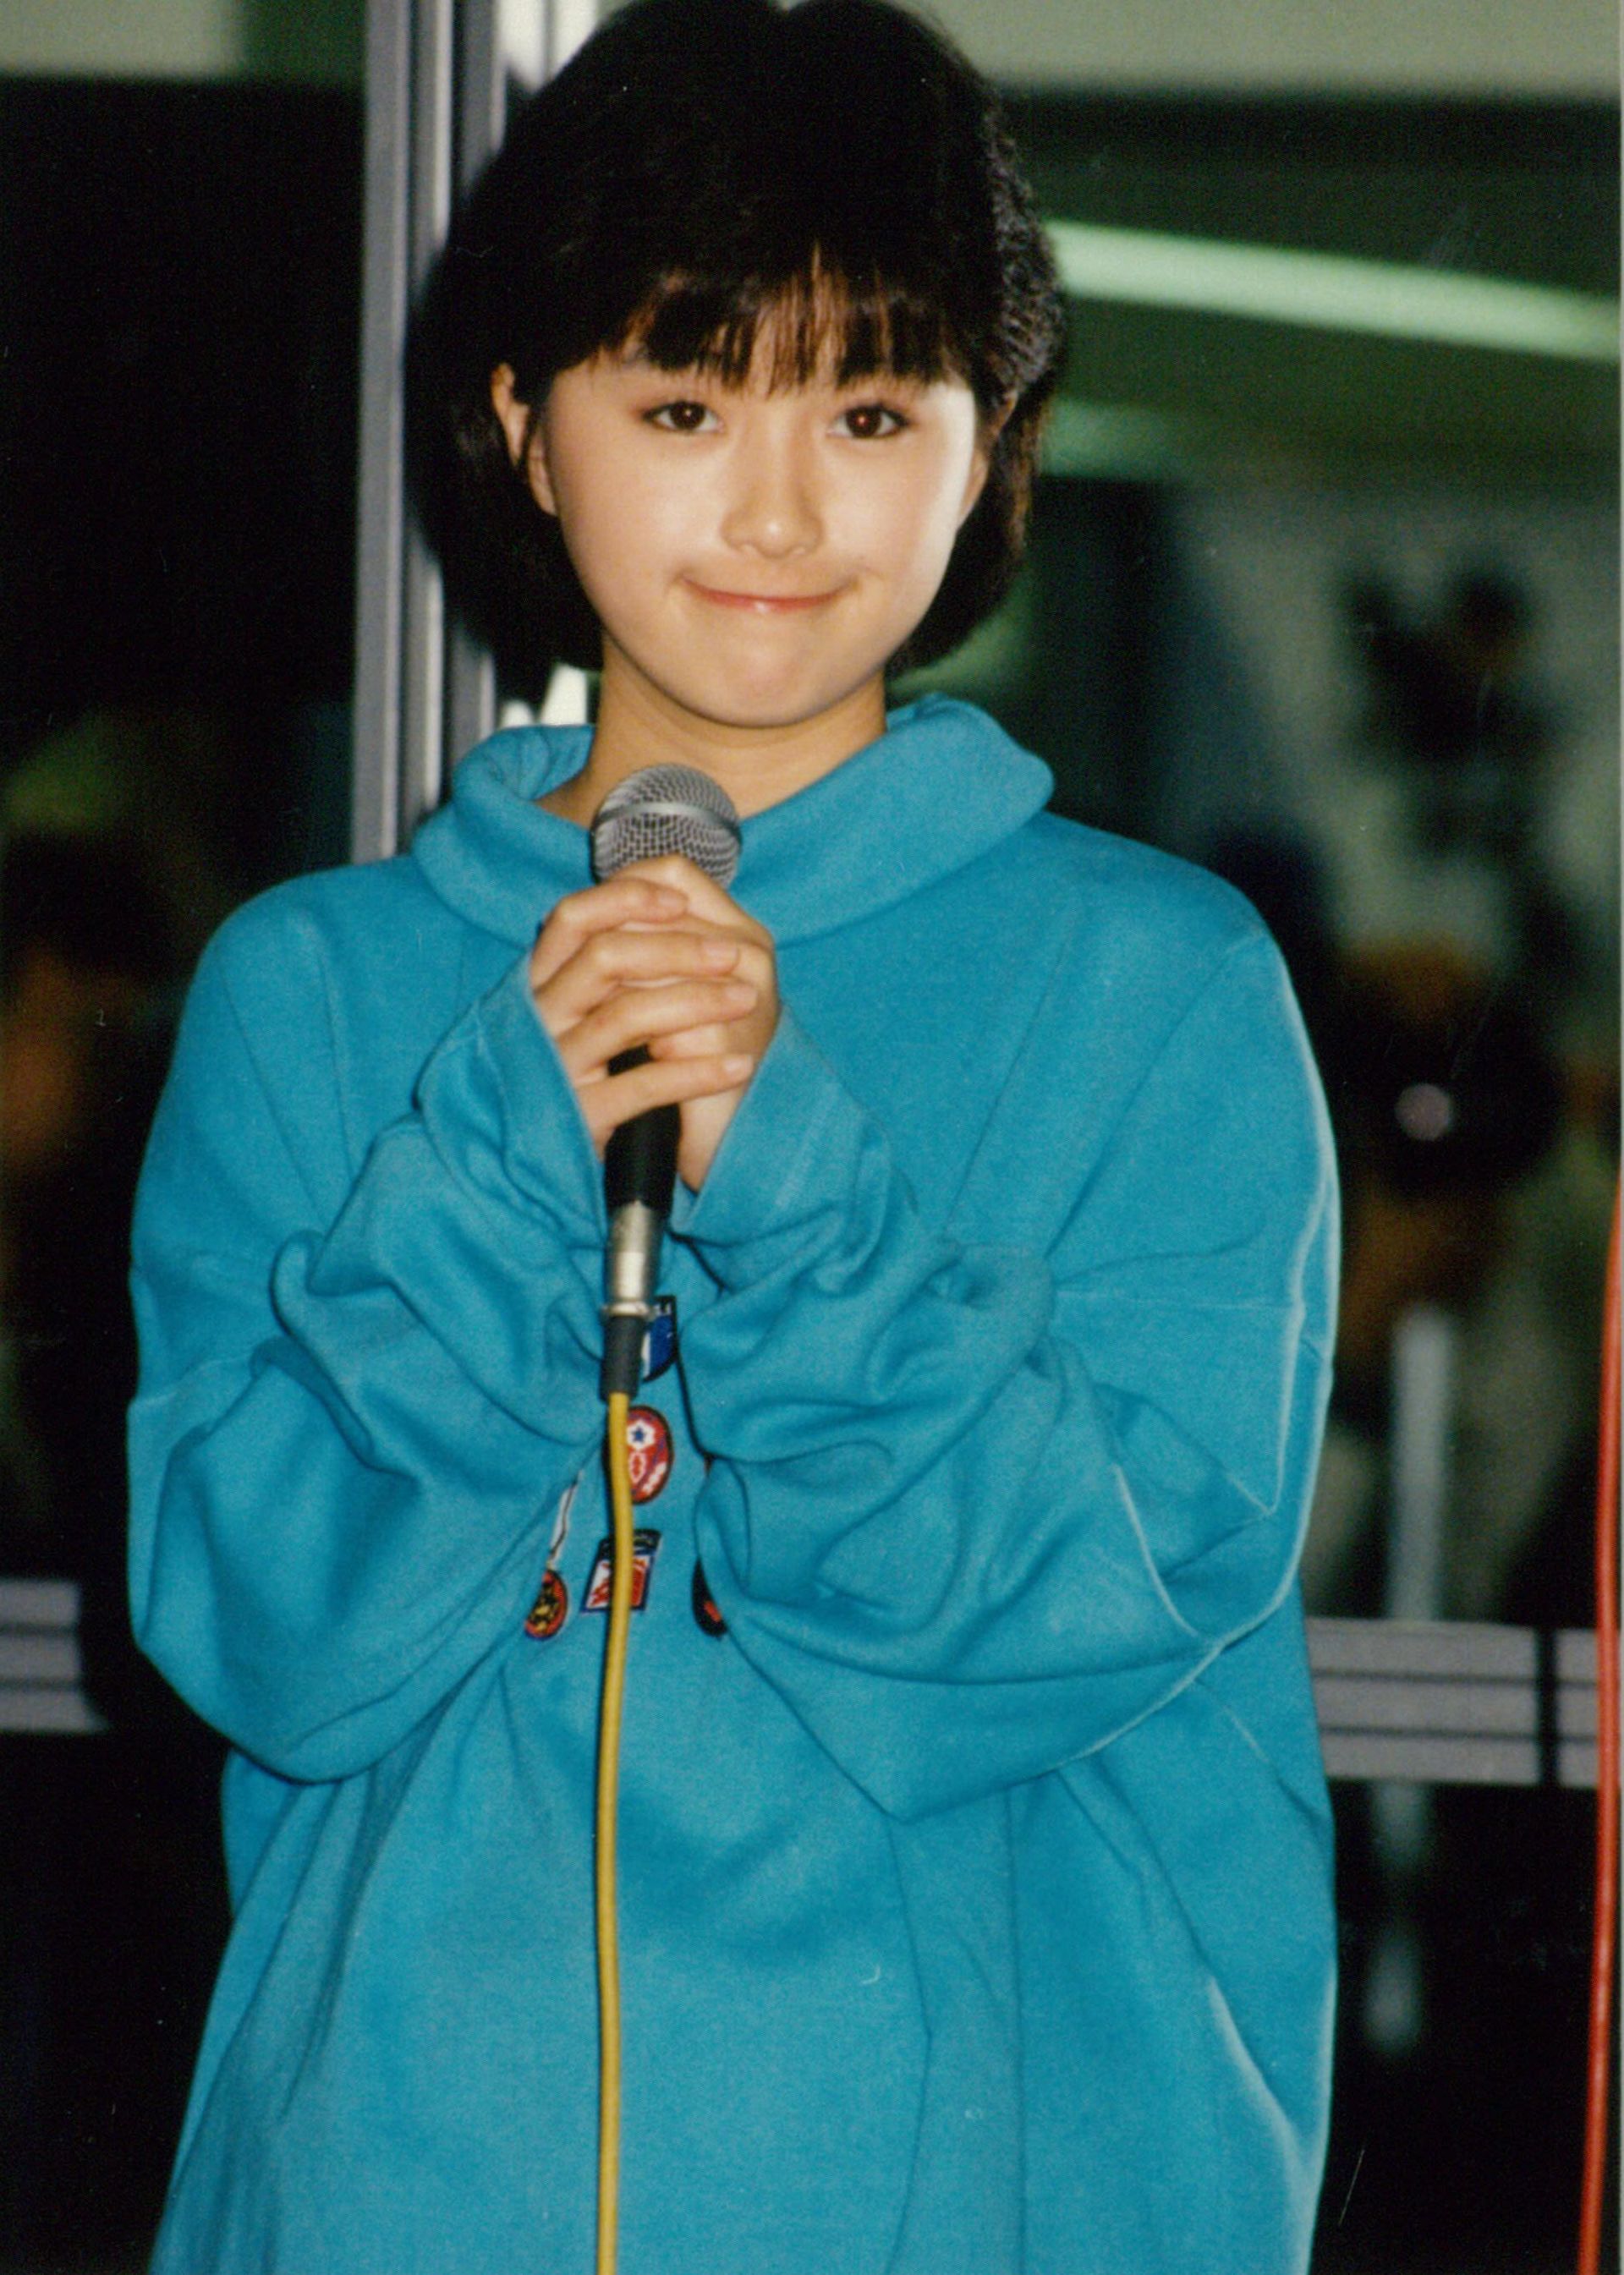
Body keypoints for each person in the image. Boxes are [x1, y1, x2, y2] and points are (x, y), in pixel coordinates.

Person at [128, 3, 1338, 2268]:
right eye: (683, 407)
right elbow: (267, 1644)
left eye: (868, 411)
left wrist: (793, 1181)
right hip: (400, 2199)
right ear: (525, 422)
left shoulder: (1154, 988)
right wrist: (505, 1156)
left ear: (993, 443)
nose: (777, 510)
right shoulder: (313, 990)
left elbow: (1064, 1616)